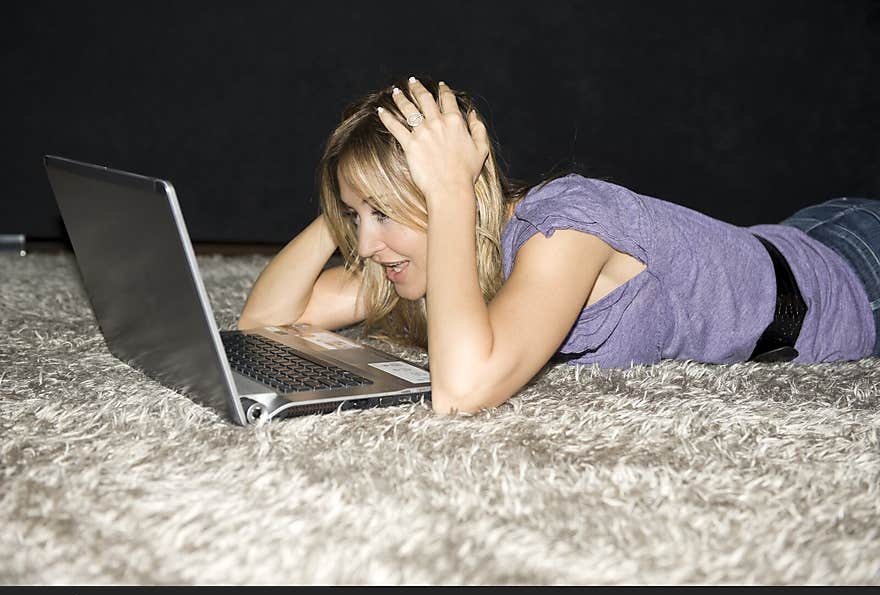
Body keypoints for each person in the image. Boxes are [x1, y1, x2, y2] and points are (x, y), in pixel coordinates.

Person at [238, 74, 880, 415]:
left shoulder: (564, 230)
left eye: (385, 215)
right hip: (799, 231)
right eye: (358, 221)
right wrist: (348, 202)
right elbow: (265, 322)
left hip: (857, 269)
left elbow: (461, 392)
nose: (367, 243)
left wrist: (452, 192)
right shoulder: (420, 254)